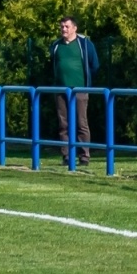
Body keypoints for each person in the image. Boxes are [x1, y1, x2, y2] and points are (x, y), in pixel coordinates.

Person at [48, 15, 101, 166]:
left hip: (80, 89)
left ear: (74, 28)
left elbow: (94, 65)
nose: (63, 29)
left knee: (81, 123)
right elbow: (53, 64)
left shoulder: (85, 44)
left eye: (67, 26)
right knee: (63, 124)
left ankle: (84, 156)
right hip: (60, 90)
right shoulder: (56, 45)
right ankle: (66, 155)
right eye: (62, 26)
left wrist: (85, 83)